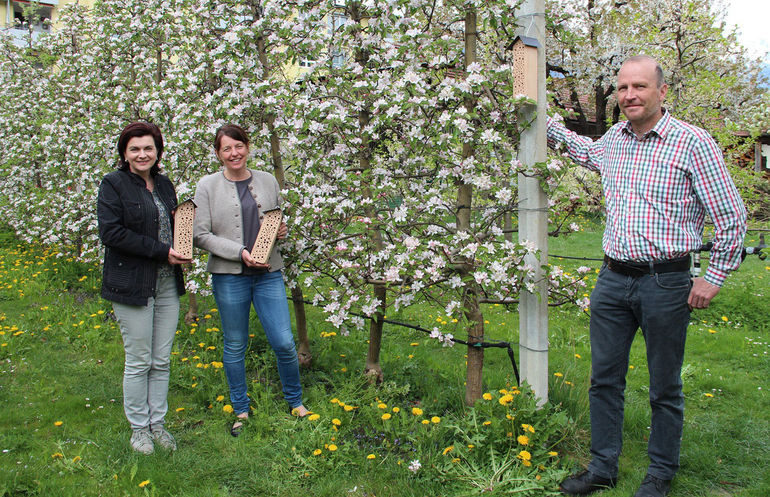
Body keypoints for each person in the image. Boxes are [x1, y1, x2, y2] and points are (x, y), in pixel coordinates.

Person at [548, 56, 747, 497]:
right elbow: (574, 145)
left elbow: (732, 217)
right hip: (613, 280)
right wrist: (533, 110)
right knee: (604, 378)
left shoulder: (692, 143)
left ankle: (659, 473)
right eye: (622, 88)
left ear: (661, 92)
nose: (629, 96)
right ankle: (603, 468)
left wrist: (713, 277)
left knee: (664, 385)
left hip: (667, 282)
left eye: (639, 86)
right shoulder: (613, 141)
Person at [193, 124, 309, 437]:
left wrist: (280, 233)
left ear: (248, 146)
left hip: (268, 274)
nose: (234, 153)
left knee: (284, 342)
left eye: (239, 146)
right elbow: (200, 235)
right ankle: (240, 410)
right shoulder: (207, 186)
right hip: (230, 277)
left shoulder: (267, 181)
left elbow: (273, 222)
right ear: (218, 153)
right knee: (234, 344)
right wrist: (239, 252)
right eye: (226, 148)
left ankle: (295, 401)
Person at [97, 122, 191, 454]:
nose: (142, 154)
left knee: (161, 359)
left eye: (148, 148)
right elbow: (111, 233)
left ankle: (158, 424)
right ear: (124, 153)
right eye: (135, 149)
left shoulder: (164, 185)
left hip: (166, 284)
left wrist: (183, 247)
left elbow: (177, 224)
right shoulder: (113, 185)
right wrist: (161, 251)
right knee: (139, 359)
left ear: (158, 151)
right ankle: (139, 429)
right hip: (132, 284)